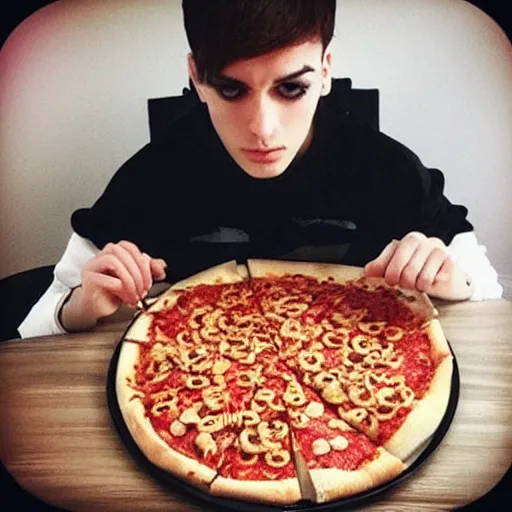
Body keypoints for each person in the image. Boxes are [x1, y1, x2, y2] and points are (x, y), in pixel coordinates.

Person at [19, 0, 502, 338]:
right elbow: (41, 318)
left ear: (326, 69)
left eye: (291, 89)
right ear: (196, 78)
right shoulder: (151, 176)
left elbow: (487, 289)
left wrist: (452, 279)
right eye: (232, 91)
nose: (264, 130)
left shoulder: (386, 168)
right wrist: (76, 307)